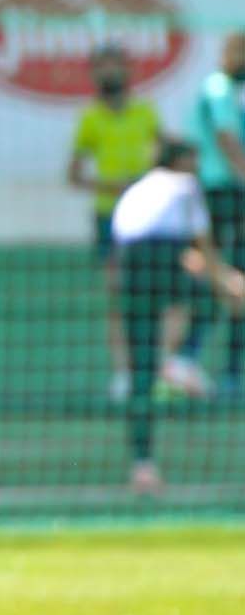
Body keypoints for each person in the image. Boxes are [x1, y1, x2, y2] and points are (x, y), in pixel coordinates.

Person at [111, 139, 245, 492]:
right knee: (212, 301)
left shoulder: (138, 189)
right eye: (194, 159)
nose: (198, 166)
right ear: (180, 161)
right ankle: (182, 360)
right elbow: (201, 250)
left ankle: (143, 467)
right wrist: (230, 284)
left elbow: (168, 253)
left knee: (141, 377)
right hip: (159, 261)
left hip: (131, 269)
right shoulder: (184, 185)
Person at [66, 43, 162, 402]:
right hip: (110, 215)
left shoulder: (146, 112)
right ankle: (123, 373)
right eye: (102, 67)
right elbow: (73, 175)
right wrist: (112, 185)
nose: (110, 74)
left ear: (127, 69)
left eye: (115, 66)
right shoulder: (89, 118)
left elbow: (161, 157)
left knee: (155, 293)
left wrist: (145, 180)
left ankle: (156, 368)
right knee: (118, 295)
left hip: (150, 215)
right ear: (93, 74)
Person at [173, 31, 245, 396]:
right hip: (220, 192)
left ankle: (232, 368)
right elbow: (226, 138)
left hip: (230, 192)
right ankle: (187, 356)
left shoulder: (234, 93)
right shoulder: (218, 88)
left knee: (233, 279)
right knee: (221, 278)